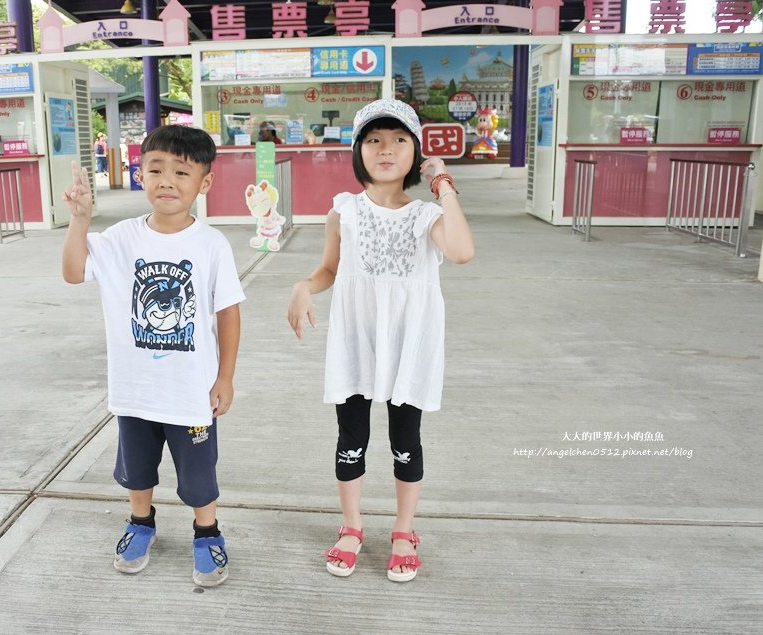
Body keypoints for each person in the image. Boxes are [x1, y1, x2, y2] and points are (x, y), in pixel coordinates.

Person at [287, 99, 475, 583]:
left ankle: (404, 529)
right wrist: (303, 286)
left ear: (415, 152)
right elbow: (330, 268)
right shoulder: (343, 211)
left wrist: (444, 184)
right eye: (373, 140)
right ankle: (351, 527)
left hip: (407, 343)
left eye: (398, 140)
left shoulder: (425, 216)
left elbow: (461, 252)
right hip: (355, 341)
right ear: (357, 150)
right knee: (352, 437)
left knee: (404, 440)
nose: (385, 149)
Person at [62, 125, 245, 587]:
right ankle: (140, 523)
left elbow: (228, 315)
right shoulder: (120, 238)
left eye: (181, 172)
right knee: (136, 471)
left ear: (204, 183)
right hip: (135, 389)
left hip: (191, 393)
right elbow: (72, 272)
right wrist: (80, 219)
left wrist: (225, 378)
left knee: (200, 476)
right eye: (156, 169)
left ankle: (207, 532)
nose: (166, 180)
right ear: (140, 174)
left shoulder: (211, 245)